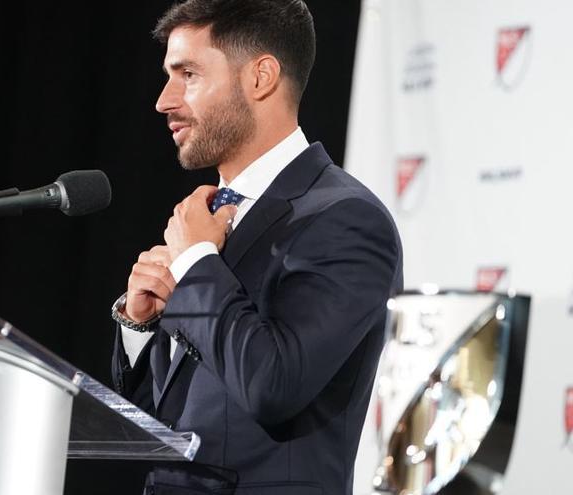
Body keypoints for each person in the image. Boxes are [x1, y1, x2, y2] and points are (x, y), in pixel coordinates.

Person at [110, 0, 403, 493]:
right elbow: (171, 418)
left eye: (188, 74)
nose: (164, 100)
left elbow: (273, 385)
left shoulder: (347, 220)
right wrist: (139, 329)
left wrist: (198, 264)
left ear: (261, 77)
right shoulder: (207, 219)